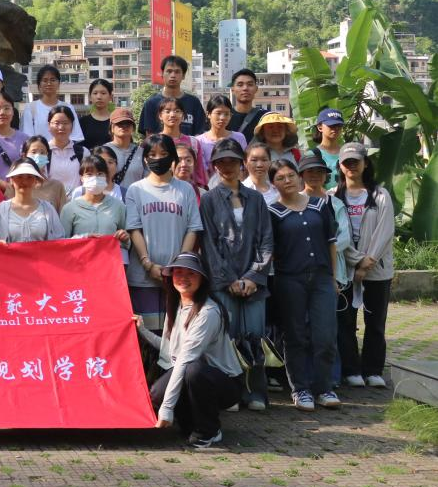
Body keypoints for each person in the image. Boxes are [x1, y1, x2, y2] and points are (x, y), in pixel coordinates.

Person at [135, 252, 243, 450]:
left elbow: (185, 360)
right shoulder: (176, 305)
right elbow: (169, 350)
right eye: (178, 272)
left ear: (202, 279)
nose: (183, 278)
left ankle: (209, 430)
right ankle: (192, 423)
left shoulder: (208, 313)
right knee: (158, 393)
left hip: (225, 383)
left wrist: (167, 409)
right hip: (191, 371)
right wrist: (142, 330)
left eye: (191, 273)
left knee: (192, 370)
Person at [200, 138, 274, 411]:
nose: (227, 166)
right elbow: (208, 244)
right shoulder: (208, 200)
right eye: (221, 162)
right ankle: (229, 393)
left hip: (254, 282)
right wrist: (230, 279)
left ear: (241, 163)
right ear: (214, 165)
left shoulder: (256, 199)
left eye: (232, 160)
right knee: (226, 337)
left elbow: (267, 239)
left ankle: (256, 393)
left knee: (255, 336)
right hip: (223, 282)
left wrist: (253, 276)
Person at [267, 157, 340, 411]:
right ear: (273, 184)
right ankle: (300, 389)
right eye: (280, 178)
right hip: (289, 280)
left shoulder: (320, 205)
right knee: (295, 336)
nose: (287, 181)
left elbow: (331, 243)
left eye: (290, 175)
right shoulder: (273, 213)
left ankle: (324, 387)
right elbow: (270, 250)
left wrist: (333, 278)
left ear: (299, 177)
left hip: (321, 279)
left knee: (325, 335)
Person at [125, 135, 203, 333]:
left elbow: (193, 228)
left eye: (163, 153)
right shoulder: (135, 190)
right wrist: (147, 264)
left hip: (178, 278)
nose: (158, 158)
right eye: (152, 154)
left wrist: (178, 266)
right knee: (146, 334)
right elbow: (134, 229)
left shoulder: (185, 189)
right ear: (145, 159)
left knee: (177, 332)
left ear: (172, 157)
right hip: (142, 277)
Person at [335, 142, 396, 389]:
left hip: (377, 270)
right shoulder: (333, 196)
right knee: (345, 322)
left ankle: (373, 369)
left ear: (365, 163)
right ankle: (351, 369)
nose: (351, 166)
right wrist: (356, 260)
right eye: (347, 162)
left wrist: (368, 260)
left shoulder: (380, 195)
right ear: (340, 166)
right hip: (345, 270)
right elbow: (336, 235)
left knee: (376, 322)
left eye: (356, 161)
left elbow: (385, 230)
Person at [300, 152, 350, 394]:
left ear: (326, 176)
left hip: (331, 272)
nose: (315, 176)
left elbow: (344, 237)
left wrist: (320, 250)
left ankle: (331, 377)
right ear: (302, 175)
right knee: (304, 328)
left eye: (319, 172)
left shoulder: (335, 204)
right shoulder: (295, 200)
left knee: (328, 328)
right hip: (300, 273)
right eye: (310, 171)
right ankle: (307, 378)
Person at [60, 155, 129, 255]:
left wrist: (125, 238)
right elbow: (62, 243)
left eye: (100, 174)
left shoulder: (118, 206)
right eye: (89, 174)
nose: (95, 178)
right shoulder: (69, 209)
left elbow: (126, 242)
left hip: (110, 262)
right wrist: (83, 238)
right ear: (81, 178)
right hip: (81, 262)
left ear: (106, 177)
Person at [0, 158, 62, 243]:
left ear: (36, 180)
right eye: (19, 177)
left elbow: (58, 242)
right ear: (11, 180)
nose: (24, 181)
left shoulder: (48, 209)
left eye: (29, 177)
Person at [139, 55, 208, 137]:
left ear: (183, 75)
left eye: (177, 72)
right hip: (161, 145)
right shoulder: (151, 103)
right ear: (162, 74)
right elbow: (149, 136)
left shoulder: (194, 102)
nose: (173, 75)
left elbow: (200, 134)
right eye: (169, 71)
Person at [21, 65, 84, 145]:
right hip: (40, 151)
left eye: (53, 80)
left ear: (59, 83)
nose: (49, 83)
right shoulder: (30, 108)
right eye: (45, 80)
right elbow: (28, 138)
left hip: (64, 151)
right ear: (39, 84)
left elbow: (75, 136)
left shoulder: (68, 107)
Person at [194, 95, 247, 186]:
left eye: (226, 114)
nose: (222, 117)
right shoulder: (198, 141)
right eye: (218, 113)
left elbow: (243, 167)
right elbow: (201, 171)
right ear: (208, 114)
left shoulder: (239, 138)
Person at [157, 97, 207, 188]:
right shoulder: (153, 142)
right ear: (160, 115)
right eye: (167, 111)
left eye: (177, 111)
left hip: (189, 192)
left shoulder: (193, 142)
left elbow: (199, 174)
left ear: (183, 116)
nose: (172, 115)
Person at [23, 136, 69, 213]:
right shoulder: (16, 185)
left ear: (47, 156)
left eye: (42, 153)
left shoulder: (56, 186)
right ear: (24, 155)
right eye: (33, 152)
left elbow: (63, 216)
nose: (38, 155)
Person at [44, 105, 84, 191]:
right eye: (56, 123)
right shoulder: (43, 152)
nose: (61, 127)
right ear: (49, 125)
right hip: (50, 199)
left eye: (65, 123)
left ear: (72, 125)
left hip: (77, 199)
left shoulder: (83, 152)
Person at [107, 107, 145, 189]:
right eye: (119, 123)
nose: (124, 126)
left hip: (136, 196)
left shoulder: (141, 152)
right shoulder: (103, 151)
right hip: (110, 196)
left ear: (133, 128)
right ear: (112, 128)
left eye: (128, 123)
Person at [228, 68, 266, 139]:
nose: (245, 88)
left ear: (256, 89)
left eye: (250, 84)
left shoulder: (265, 118)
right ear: (232, 90)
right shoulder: (225, 117)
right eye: (240, 85)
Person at [312, 108, 345, 189]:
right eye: (331, 125)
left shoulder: (347, 152)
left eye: (339, 125)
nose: (336, 129)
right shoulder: (312, 154)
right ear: (320, 127)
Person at [79, 79, 114, 149]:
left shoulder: (116, 121)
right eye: (95, 93)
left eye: (103, 93)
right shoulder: (82, 122)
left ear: (110, 97)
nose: (99, 97)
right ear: (90, 97)